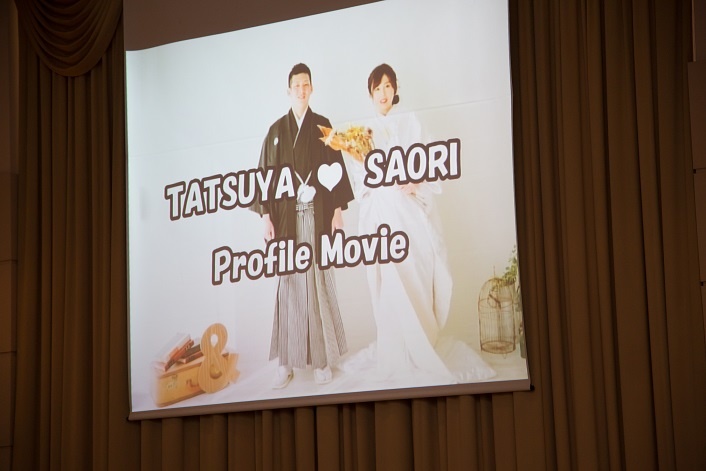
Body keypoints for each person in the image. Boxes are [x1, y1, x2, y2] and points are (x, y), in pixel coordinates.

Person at [341, 64, 495, 383]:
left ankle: (421, 341)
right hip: (384, 216)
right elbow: (360, 180)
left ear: (395, 89)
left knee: (416, 273)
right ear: (370, 93)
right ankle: (397, 349)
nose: (383, 93)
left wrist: (416, 182)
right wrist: (368, 171)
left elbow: (431, 161)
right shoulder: (363, 131)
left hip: (410, 213)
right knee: (390, 281)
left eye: (388, 86)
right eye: (377, 88)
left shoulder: (412, 122)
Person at [251, 63, 354, 388]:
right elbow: (264, 176)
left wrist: (337, 212)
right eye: (296, 85)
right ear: (289, 90)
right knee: (289, 288)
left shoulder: (323, 126)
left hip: (317, 215)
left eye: (306, 84)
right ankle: (286, 363)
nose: (301, 89)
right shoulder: (276, 131)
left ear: (312, 88)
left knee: (317, 284)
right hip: (287, 220)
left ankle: (322, 361)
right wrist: (266, 217)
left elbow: (336, 167)